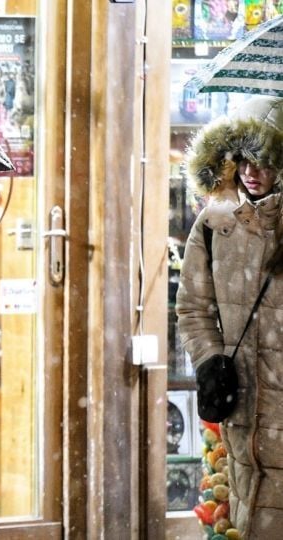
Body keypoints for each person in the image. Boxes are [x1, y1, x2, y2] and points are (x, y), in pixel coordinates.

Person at [176, 95, 283, 537]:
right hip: (240, 402)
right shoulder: (214, 223)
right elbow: (193, 305)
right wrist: (209, 361)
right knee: (248, 506)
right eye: (242, 159)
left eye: (264, 160)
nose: (251, 172)